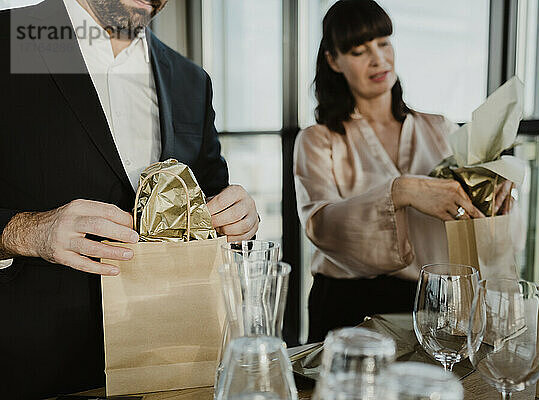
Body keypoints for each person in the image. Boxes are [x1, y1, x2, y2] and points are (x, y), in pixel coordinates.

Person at [0, 0, 259, 397]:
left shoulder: (190, 80)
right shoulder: (11, 37)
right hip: (30, 368)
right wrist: (26, 232)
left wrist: (237, 221)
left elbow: (212, 199)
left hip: (172, 364)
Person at [294, 0, 512, 342]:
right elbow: (320, 224)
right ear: (333, 61)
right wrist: (400, 191)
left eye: (383, 42)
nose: (378, 59)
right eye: (358, 50)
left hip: (432, 301)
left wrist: (498, 183)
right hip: (346, 304)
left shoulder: (439, 129)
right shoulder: (317, 140)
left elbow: (477, 210)